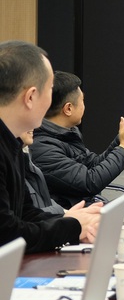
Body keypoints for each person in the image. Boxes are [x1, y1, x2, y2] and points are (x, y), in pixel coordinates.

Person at [0, 40, 100, 252]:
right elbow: (8, 234)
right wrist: (72, 227)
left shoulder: (13, 144)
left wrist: (71, 221)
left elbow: (25, 214)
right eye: (50, 89)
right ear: (30, 97)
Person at [30, 71, 124, 208]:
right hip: (73, 217)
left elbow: (93, 164)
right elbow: (90, 182)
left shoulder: (66, 134)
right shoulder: (42, 148)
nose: (84, 105)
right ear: (68, 108)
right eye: (82, 100)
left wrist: (122, 139)